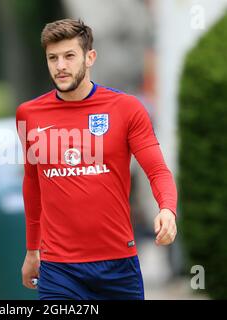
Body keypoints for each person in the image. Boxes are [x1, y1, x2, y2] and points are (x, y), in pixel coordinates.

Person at [15, 18, 177, 300]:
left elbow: (158, 171)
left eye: (69, 56)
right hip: (58, 270)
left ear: (90, 57)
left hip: (117, 265)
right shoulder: (29, 114)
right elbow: (33, 183)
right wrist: (32, 250)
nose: (60, 66)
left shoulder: (126, 109)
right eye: (52, 58)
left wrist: (167, 209)